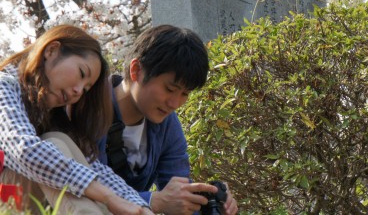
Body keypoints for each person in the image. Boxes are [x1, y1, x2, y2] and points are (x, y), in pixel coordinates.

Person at [0, 24, 153, 215]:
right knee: (55, 144)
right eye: (81, 73)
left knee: (61, 141)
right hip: (6, 200)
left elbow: (97, 171)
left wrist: (142, 208)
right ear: (52, 50)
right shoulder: (3, 86)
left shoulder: (54, 117)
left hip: (25, 199)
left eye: (86, 89)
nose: (78, 91)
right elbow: (26, 152)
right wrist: (108, 198)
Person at [99, 25, 238, 215]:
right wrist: (151, 201)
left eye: (185, 94)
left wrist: (210, 202)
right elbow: (79, 186)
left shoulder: (166, 123)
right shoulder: (89, 110)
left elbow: (177, 190)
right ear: (136, 70)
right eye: (170, 89)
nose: (175, 103)